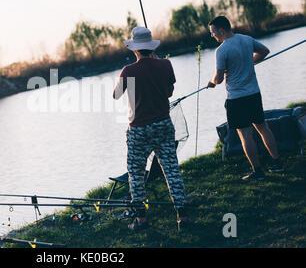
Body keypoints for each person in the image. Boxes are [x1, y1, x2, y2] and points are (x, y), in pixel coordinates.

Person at [113, 26, 189, 232]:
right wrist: (158, 65)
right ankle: (182, 216)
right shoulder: (166, 64)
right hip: (163, 124)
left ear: (135, 49)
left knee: (136, 174)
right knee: (171, 169)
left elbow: (116, 95)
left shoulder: (128, 71)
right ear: (151, 46)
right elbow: (169, 91)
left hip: (138, 130)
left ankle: (141, 220)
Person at [207, 16, 283, 181]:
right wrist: (250, 62)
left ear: (221, 30)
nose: (213, 36)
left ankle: (258, 171)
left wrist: (211, 82)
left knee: (245, 135)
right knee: (264, 128)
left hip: (237, 99)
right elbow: (264, 51)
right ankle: (277, 163)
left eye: (213, 33)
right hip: (254, 94)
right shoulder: (247, 39)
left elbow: (218, 79)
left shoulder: (221, 50)